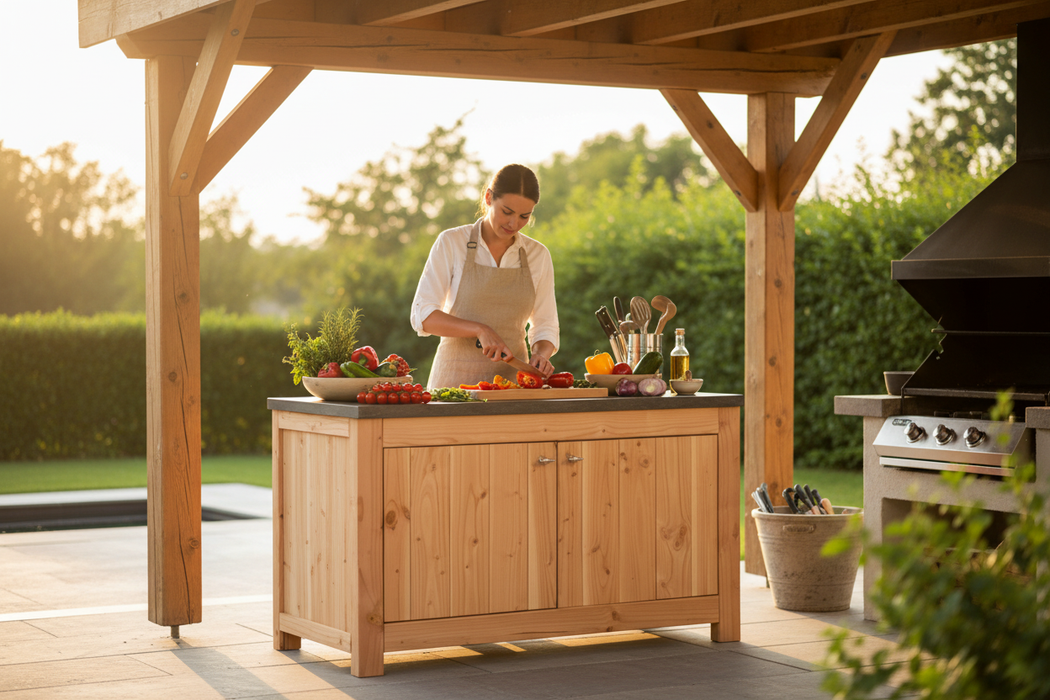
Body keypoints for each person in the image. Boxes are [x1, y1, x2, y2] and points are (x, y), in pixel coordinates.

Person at [410, 164, 559, 389]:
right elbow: (423, 316)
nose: (513, 223)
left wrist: (541, 354)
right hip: (452, 385)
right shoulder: (452, 243)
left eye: (524, 216)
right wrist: (480, 330)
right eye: (506, 212)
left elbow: (546, 324)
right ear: (489, 198)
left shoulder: (538, 255)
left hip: (512, 388)